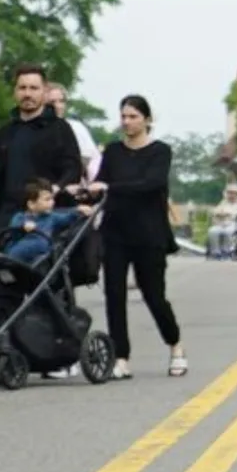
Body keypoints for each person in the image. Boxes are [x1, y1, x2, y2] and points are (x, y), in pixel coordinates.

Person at [95, 94, 184, 380]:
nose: (127, 122)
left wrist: (111, 187)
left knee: (154, 295)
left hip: (149, 232)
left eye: (133, 116)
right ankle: (120, 356)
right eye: (123, 116)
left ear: (147, 119)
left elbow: (151, 184)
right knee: (114, 294)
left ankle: (175, 345)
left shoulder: (160, 151)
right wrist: (88, 195)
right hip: (115, 230)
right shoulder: (112, 151)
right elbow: (100, 182)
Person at [0, 65, 85, 235]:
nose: (27, 94)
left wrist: (55, 188)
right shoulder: (5, 133)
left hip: (46, 219)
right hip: (8, 219)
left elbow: (73, 168)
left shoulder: (60, 129)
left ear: (44, 91)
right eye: (22, 88)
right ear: (15, 91)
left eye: (33, 88)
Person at [0, 179, 94, 268]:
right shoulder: (20, 217)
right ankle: (7, 264)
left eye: (52, 199)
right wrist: (23, 226)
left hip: (40, 247)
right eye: (47, 200)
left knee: (34, 245)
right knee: (11, 246)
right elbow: (13, 228)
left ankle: (8, 263)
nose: (52, 203)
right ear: (31, 204)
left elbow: (66, 217)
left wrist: (77, 210)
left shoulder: (52, 217)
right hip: (20, 246)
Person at [46, 83, 103, 184]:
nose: (58, 106)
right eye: (52, 102)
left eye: (61, 101)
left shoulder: (77, 128)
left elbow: (91, 160)